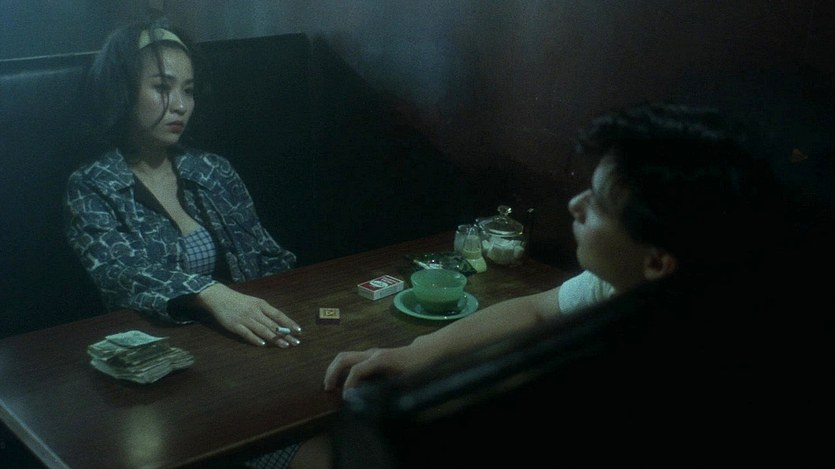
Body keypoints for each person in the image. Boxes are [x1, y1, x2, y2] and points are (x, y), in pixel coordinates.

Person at [323, 101, 788, 396]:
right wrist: (414, 353)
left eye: (598, 203)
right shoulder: (627, 282)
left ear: (657, 261)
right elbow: (538, 310)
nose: (574, 204)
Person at [64, 20, 303, 347]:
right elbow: (120, 276)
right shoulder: (92, 185)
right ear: (124, 91)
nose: (180, 105)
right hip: (159, 346)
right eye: (163, 87)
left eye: (188, 91)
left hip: (251, 334)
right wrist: (211, 293)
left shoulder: (212, 169)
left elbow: (268, 257)